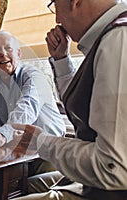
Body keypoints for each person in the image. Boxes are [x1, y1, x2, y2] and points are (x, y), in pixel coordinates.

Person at [12, 0, 127, 199]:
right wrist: (61, 60)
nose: (56, 18)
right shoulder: (111, 38)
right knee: (33, 184)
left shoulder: (118, 39)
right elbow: (85, 107)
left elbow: (112, 167)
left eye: (55, 5)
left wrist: (42, 143)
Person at [0, 30, 65, 154]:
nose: (3, 54)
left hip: (51, 150)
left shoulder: (33, 76)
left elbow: (25, 110)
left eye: (8, 48)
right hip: (18, 149)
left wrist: (1, 136)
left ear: (18, 54)